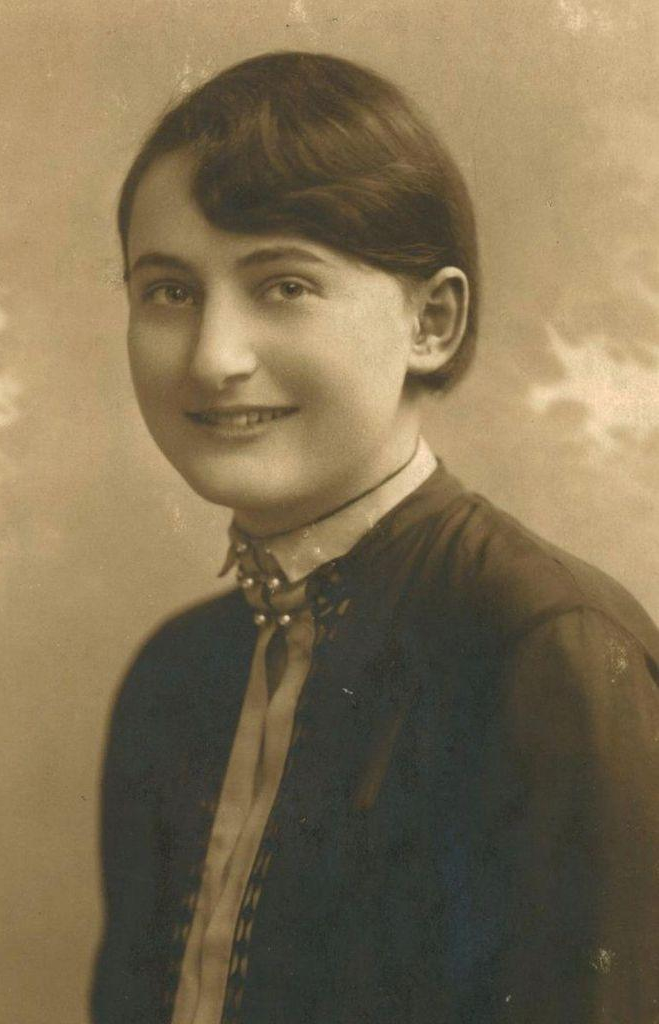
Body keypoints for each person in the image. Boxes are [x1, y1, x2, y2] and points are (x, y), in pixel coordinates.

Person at [90, 51, 659, 1024]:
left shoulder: (542, 648)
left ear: (431, 322)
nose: (214, 358)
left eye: (284, 286)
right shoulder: (174, 676)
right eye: (170, 291)